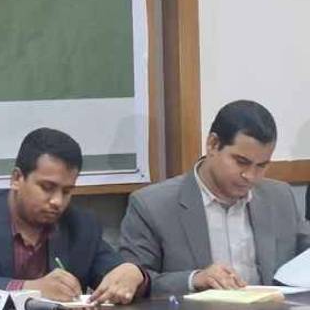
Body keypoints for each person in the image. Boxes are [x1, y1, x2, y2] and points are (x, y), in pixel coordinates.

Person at [0, 127, 148, 307]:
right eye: (47, 187)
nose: (57, 201)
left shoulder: (81, 226)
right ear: (17, 179)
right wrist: (29, 289)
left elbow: (116, 274)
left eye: (67, 191)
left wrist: (134, 275)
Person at [120, 100, 310, 295]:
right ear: (212, 144)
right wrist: (194, 279)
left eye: (261, 166)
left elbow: (305, 256)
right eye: (241, 162)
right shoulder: (153, 205)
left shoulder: (279, 197)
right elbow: (134, 282)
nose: (250, 176)